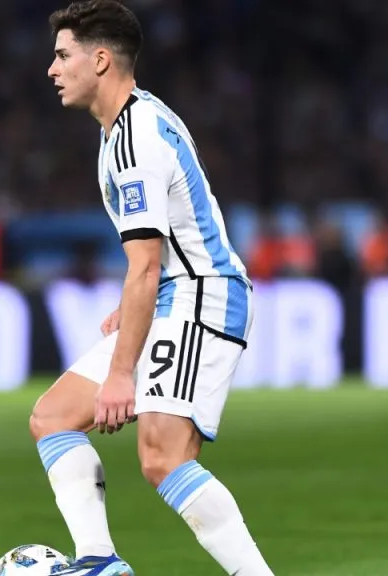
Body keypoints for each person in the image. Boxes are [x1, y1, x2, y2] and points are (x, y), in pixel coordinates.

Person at [32, 1, 275, 574]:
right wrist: (131, 308)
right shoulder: (130, 122)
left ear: (99, 60)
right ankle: (100, 561)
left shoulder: (134, 139)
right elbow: (159, 250)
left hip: (202, 294)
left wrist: (122, 374)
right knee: (53, 417)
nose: (52, 69)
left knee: (162, 455)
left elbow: (145, 265)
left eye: (62, 55)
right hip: (173, 292)